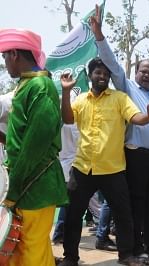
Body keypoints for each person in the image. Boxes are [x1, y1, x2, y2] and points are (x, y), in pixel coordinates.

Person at [59, 57, 149, 266]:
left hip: (113, 169)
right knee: (73, 215)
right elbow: (68, 119)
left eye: (106, 74)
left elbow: (136, 118)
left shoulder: (119, 98)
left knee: (124, 216)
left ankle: (126, 256)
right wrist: (67, 92)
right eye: (98, 73)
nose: (102, 76)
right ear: (90, 76)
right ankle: (70, 257)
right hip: (83, 168)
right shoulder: (81, 100)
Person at [91, 6, 149, 265]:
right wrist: (99, 35)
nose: (146, 74)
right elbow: (113, 64)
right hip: (135, 157)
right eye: (143, 71)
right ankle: (136, 248)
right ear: (136, 72)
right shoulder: (126, 88)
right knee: (135, 204)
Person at [0, 28, 69, 266]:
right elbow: (19, 138)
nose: (5, 63)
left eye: (4, 56)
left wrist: (14, 188)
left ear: (15, 54)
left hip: (35, 184)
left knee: (32, 252)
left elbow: (34, 145)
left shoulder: (41, 86)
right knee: (19, 251)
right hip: (24, 182)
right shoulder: (26, 85)